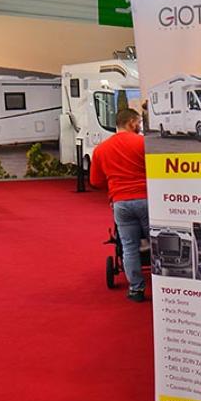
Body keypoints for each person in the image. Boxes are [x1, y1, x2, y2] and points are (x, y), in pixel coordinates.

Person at [88, 108, 149, 303]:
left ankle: (136, 289)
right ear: (131, 122)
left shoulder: (101, 149)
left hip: (121, 202)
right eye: (138, 122)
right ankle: (166, 287)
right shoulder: (143, 143)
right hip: (146, 199)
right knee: (158, 244)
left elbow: (95, 181)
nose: (139, 126)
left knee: (129, 247)